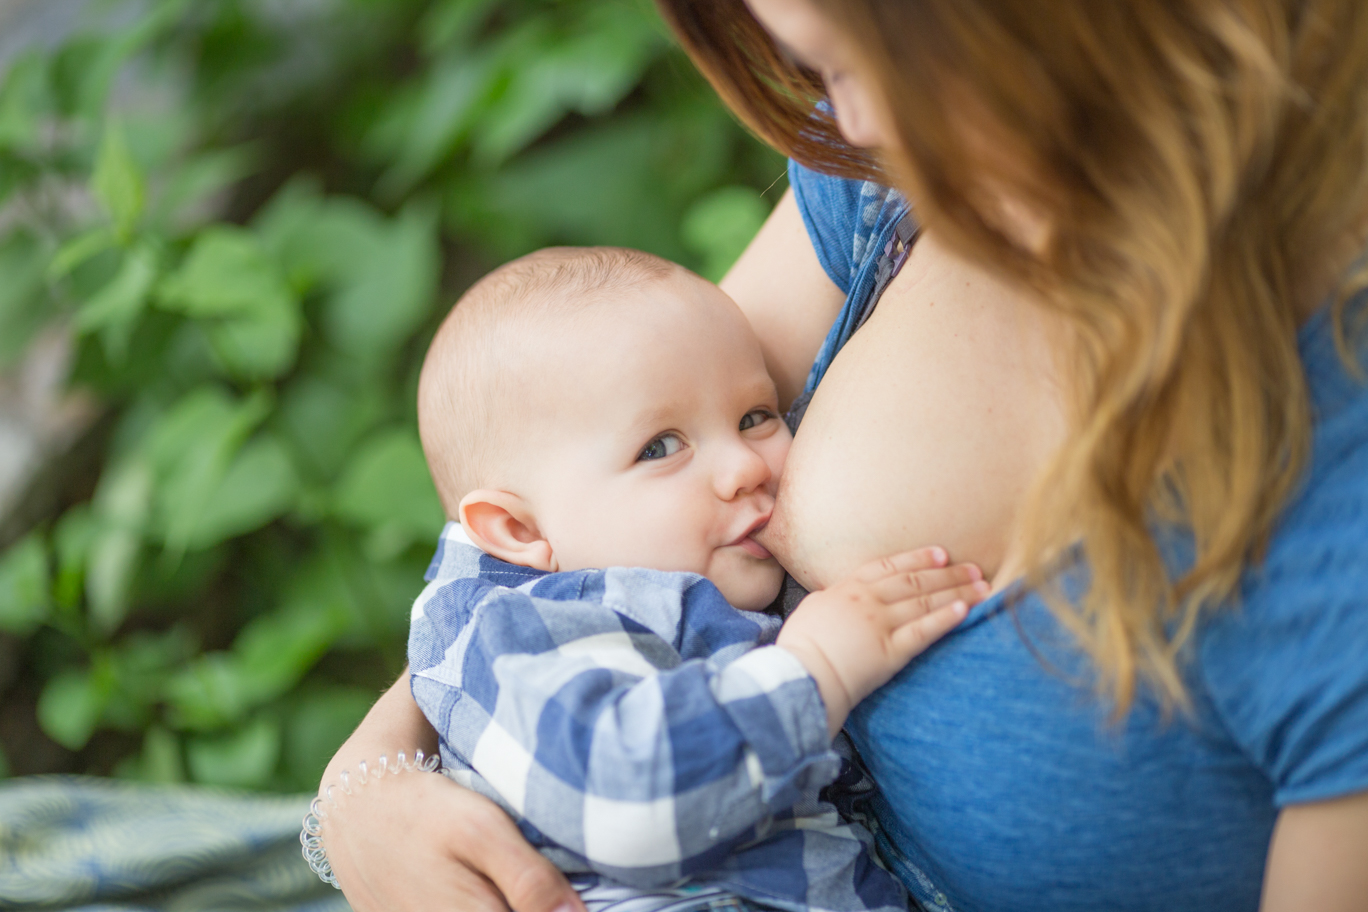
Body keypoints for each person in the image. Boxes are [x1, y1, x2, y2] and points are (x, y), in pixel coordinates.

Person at [314, 1, 1368, 910]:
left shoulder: (1333, 490)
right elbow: (568, 497)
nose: (846, 122)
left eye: (867, 61)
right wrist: (368, 782)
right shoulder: (889, 174)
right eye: (820, 67)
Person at [403, 245, 985, 912]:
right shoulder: (519, 635)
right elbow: (629, 799)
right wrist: (815, 666)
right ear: (518, 532)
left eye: (755, 417)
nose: (745, 466)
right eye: (659, 447)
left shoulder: (689, 579)